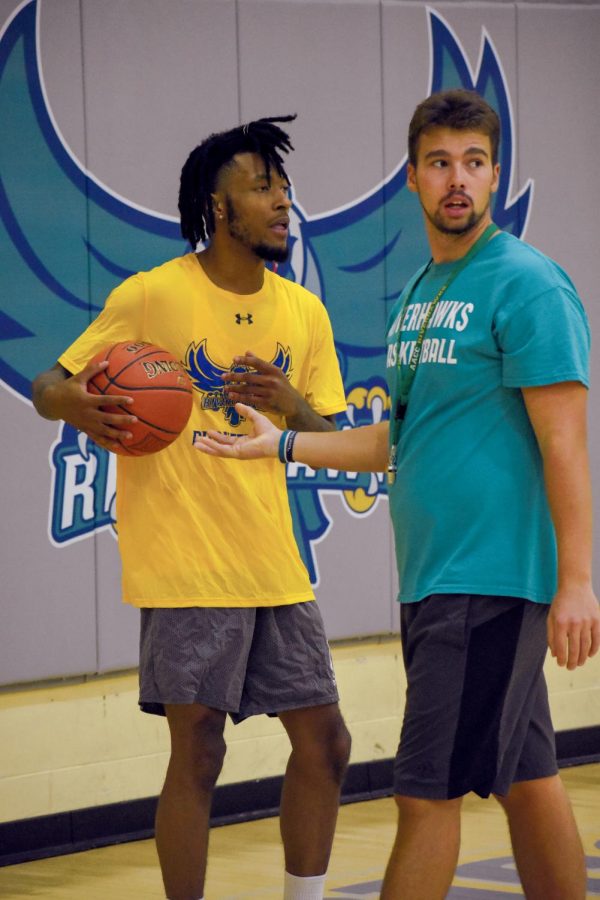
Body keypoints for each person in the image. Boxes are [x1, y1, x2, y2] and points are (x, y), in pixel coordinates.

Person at [195, 91, 600, 899]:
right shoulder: (419, 294)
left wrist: (578, 581)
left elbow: (565, 443)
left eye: (475, 163)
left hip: (485, 584)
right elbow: (396, 443)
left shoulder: (528, 286)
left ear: (495, 176)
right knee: (528, 778)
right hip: (433, 580)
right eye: (441, 163)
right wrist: (275, 442)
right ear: (412, 177)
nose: (458, 180)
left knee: (423, 797)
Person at [32, 115, 352, 900]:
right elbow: (49, 386)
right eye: (262, 186)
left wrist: (289, 407)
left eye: (284, 186)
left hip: (274, 562)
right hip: (183, 558)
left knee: (329, 743)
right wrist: (77, 405)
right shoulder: (152, 295)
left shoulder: (304, 312)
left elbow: (334, 438)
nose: (283, 201)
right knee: (200, 751)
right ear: (219, 207)